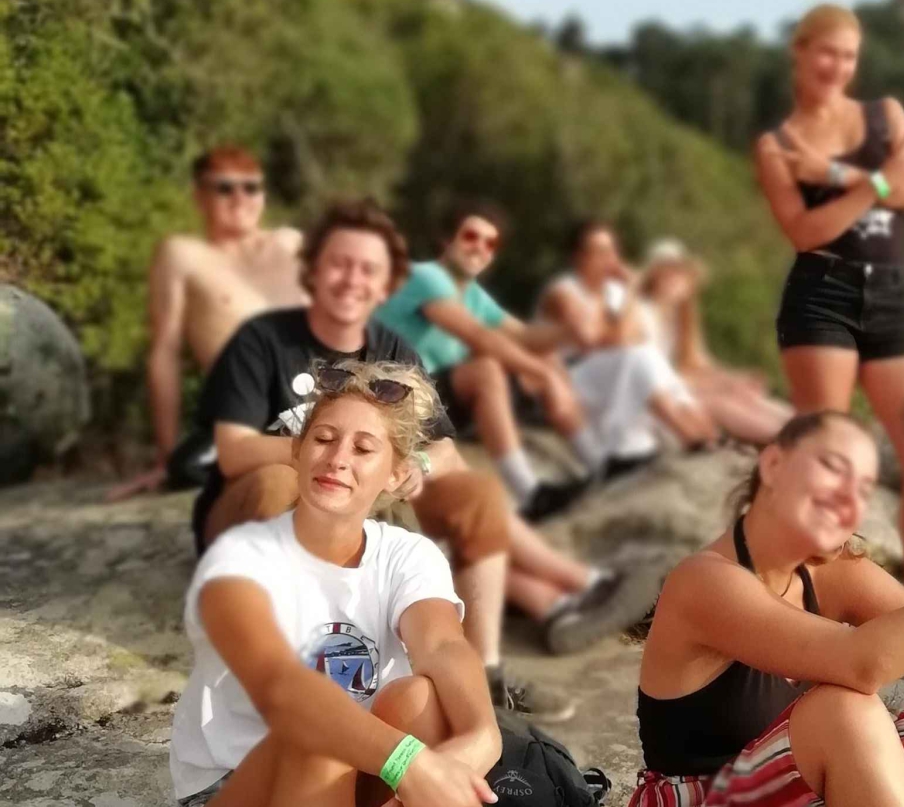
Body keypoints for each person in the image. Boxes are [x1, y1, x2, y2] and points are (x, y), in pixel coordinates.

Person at [188, 199, 622, 719]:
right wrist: (339, 457)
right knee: (276, 483)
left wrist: (414, 465)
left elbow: (443, 447)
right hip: (258, 513)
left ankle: (484, 677)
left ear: (386, 284)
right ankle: (285, 666)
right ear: (314, 271)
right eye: (339, 263)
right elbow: (235, 451)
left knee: (478, 492)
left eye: (368, 269)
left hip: (359, 503)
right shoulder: (262, 341)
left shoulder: (393, 347)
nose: (352, 280)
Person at [630, 412, 904, 807]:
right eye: (833, 468)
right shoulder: (704, 582)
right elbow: (863, 664)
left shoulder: (832, 572)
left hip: (792, 793)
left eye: (863, 489)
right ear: (774, 464)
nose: (849, 498)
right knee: (843, 714)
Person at [169, 359, 503, 807]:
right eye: (323, 439)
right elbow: (281, 689)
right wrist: (409, 763)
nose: (338, 459)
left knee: (420, 698)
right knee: (319, 732)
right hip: (237, 782)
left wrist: (483, 734)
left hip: (359, 768)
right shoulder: (240, 559)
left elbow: (442, 645)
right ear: (297, 451)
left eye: (363, 449)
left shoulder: (405, 554)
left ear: (396, 474)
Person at [752, 3, 904, 597]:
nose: (837, 67)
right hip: (822, 297)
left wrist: (835, 176)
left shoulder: (885, 115)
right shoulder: (777, 145)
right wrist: (875, 182)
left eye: (848, 56)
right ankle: (816, 600)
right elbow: (805, 231)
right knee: (826, 463)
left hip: (893, 297)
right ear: (800, 51)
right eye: (826, 52)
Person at [374, 202, 607, 519]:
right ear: (446, 240)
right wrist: (543, 373)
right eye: (471, 237)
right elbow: (478, 336)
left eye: (490, 243)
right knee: (486, 370)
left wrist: (569, 332)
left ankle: (599, 464)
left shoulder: (472, 295)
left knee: (545, 357)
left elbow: (525, 336)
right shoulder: (427, 277)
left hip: (437, 400)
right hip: (399, 394)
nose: (480, 248)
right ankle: (529, 493)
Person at [109, 146, 307, 501]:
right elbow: (165, 351)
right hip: (248, 414)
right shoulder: (183, 256)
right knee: (186, 468)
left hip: (320, 400)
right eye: (224, 188)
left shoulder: (291, 244)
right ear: (200, 196)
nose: (240, 198)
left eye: (251, 187)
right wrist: (165, 456)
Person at [538, 221, 719, 471]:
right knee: (641, 357)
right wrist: (632, 289)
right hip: (568, 377)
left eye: (611, 251)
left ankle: (704, 436)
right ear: (578, 257)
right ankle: (689, 436)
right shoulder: (564, 291)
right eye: (599, 251)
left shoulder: (612, 291)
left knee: (647, 356)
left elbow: (629, 338)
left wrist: (626, 294)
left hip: (606, 372)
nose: (608, 259)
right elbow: (599, 341)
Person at [637, 238, 794, 446]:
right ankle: (792, 441)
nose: (675, 280)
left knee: (745, 395)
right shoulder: (642, 314)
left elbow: (696, 365)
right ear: (653, 278)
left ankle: (806, 427)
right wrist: (723, 385)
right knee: (720, 403)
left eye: (680, 273)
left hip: (673, 392)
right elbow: (656, 379)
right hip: (654, 404)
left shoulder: (679, 319)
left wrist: (735, 379)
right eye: (667, 273)